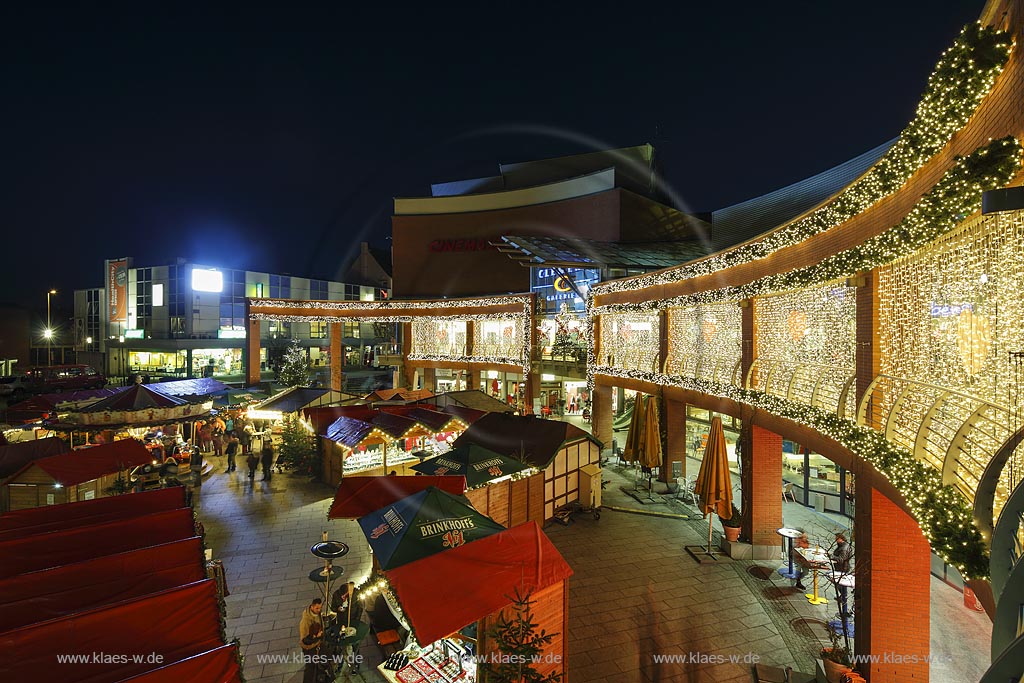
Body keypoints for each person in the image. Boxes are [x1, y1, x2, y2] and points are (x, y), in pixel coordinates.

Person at [299, 598, 324, 683]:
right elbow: (305, 640)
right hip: (309, 648)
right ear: (312, 607)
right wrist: (317, 637)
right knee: (310, 669)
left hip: (317, 645)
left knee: (317, 666)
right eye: (317, 608)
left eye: (320, 608)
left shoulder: (318, 614)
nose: (319, 610)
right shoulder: (305, 621)